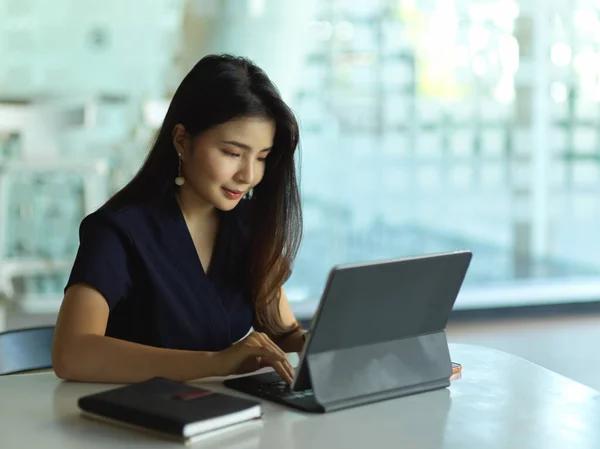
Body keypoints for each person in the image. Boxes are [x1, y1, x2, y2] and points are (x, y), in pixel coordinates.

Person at [51, 54, 306, 384]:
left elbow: (283, 335)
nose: (248, 175)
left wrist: (329, 341)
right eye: (232, 153)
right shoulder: (119, 230)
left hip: (222, 416)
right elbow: (72, 354)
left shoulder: (247, 226)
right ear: (182, 140)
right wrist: (216, 363)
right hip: (128, 422)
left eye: (262, 158)